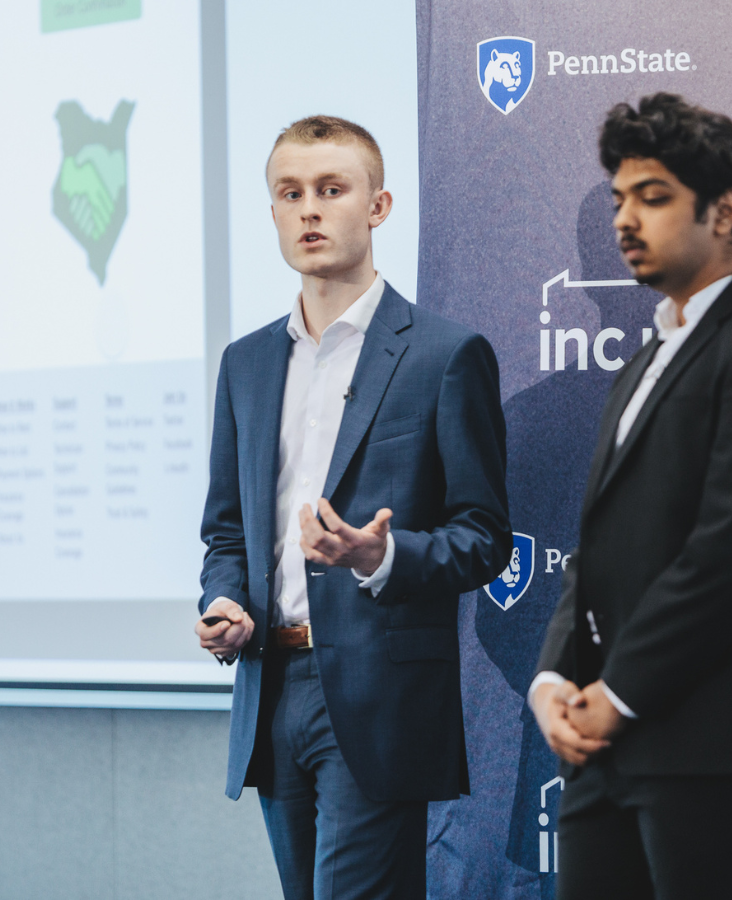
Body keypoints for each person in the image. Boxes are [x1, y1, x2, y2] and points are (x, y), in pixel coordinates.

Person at [530, 93, 732, 900]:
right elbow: (596, 548)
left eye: (654, 197)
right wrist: (555, 678)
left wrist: (620, 693)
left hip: (719, 744)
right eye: (619, 199)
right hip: (606, 751)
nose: (625, 220)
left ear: (725, 210)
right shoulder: (643, 361)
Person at [195, 115, 511, 900]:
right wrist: (223, 599)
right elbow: (228, 530)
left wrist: (383, 557)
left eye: (331, 190)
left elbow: (485, 538)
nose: (309, 209)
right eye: (290, 193)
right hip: (271, 686)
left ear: (378, 205)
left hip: (379, 695)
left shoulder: (444, 354)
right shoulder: (245, 363)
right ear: (272, 211)